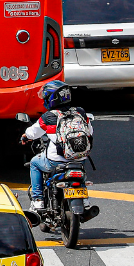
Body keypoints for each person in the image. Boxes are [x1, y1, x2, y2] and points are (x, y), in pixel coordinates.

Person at [23, 80, 93, 210]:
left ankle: (38, 200)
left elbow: (33, 133)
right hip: (79, 158)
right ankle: (84, 199)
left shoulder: (48, 117)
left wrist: (25, 136)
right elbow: (90, 132)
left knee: (34, 163)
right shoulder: (80, 112)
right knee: (80, 171)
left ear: (51, 99)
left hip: (56, 160)